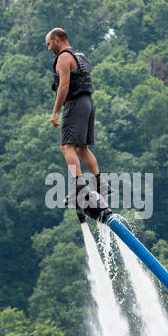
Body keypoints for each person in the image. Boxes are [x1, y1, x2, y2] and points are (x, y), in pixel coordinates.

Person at [45, 28, 111, 206]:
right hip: (88, 103)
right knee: (82, 149)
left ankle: (80, 190)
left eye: (49, 44)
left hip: (75, 104)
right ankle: (100, 185)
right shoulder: (79, 55)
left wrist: (55, 111)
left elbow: (64, 87)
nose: (49, 48)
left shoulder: (64, 57)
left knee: (66, 147)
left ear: (57, 39)